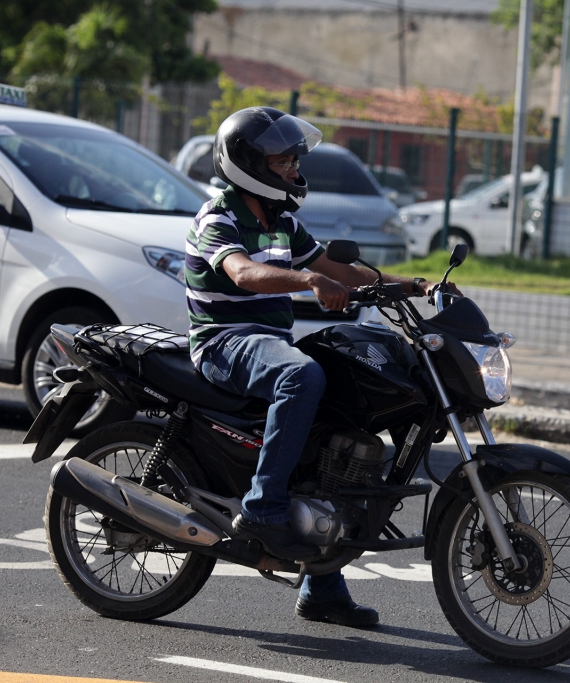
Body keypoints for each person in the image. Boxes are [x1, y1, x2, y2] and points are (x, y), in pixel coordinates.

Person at [185, 107, 449, 628]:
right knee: (300, 375)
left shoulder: (282, 220)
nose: (292, 168)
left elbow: (340, 270)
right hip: (224, 341)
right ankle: (262, 508)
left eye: (292, 159)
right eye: (282, 160)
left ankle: (322, 583)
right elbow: (242, 273)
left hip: (268, 340)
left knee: (346, 408)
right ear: (248, 164)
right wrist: (306, 282)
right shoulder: (220, 214)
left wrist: (416, 286)